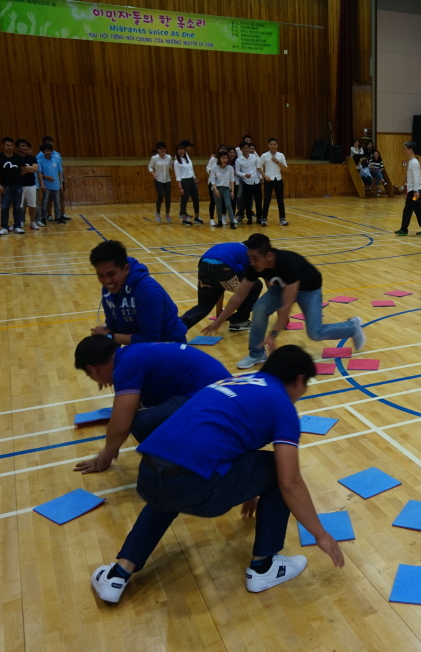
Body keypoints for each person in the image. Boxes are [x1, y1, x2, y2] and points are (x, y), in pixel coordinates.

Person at [89, 345, 345, 604]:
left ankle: (117, 574)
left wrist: (248, 490)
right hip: (194, 486)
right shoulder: (282, 404)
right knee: (278, 471)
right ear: (299, 380)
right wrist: (321, 535)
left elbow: (228, 438)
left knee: (169, 486)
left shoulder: (234, 381)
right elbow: (290, 483)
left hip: (149, 474)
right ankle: (263, 567)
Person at [203, 233, 366, 369]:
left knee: (315, 333)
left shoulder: (288, 264)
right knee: (259, 308)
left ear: (268, 256)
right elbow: (239, 296)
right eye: (250, 258)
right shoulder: (255, 265)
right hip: (282, 286)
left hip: (309, 290)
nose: (251, 263)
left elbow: (287, 305)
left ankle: (352, 327)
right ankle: (257, 354)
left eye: (255, 259)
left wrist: (273, 334)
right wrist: (219, 320)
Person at [72, 336, 231, 474]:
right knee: (148, 411)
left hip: (217, 401)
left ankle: (180, 467)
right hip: (224, 394)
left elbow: (121, 425)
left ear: (93, 369)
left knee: (142, 423)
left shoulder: (126, 365)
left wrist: (105, 456)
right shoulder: (131, 354)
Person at [89, 240, 188, 345]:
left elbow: (149, 340)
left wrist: (109, 336)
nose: (107, 281)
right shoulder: (109, 289)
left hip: (170, 345)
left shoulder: (148, 292)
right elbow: (113, 328)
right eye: (101, 275)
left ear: (126, 269)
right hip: (141, 345)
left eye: (111, 274)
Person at [181, 241, 264, 331]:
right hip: (222, 267)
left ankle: (178, 326)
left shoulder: (231, 246)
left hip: (203, 266)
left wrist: (219, 312)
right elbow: (248, 280)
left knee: (204, 305)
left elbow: (220, 285)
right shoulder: (248, 253)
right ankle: (239, 321)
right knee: (255, 286)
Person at [394, 141, 421, 236]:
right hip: (414, 191)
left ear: (410, 150)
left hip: (414, 193)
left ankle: (404, 229)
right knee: (418, 209)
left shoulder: (414, 162)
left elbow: (416, 177)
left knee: (408, 209)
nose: (404, 151)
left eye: (405, 149)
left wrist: (416, 191)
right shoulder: (411, 162)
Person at [0, 137, 26, 235]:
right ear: (2, 146)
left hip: (17, 185)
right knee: (5, 207)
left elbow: (23, 170)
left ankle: (17, 226)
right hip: (5, 185)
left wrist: (16, 177)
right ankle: (4, 227)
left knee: (17, 207)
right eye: (7, 145)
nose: (9, 147)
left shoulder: (18, 157)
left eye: (11, 145)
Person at [38, 136, 70, 221]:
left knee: (59, 198)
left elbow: (60, 169)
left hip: (56, 182)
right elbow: (38, 171)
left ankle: (60, 215)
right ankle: (47, 216)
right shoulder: (40, 156)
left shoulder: (57, 155)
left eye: (51, 141)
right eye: (47, 142)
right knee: (47, 200)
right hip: (46, 183)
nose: (49, 143)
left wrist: (63, 179)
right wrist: (44, 179)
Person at [259, 137, 289, 227]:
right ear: (268, 145)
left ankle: (282, 219)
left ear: (277, 145)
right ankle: (264, 219)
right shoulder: (264, 155)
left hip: (278, 179)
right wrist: (264, 176)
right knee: (267, 200)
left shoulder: (281, 155)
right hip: (268, 180)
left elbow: (285, 168)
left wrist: (277, 162)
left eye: (274, 145)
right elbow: (258, 167)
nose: (273, 146)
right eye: (271, 144)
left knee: (280, 200)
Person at [173, 142, 201, 226]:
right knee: (184, 200)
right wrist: (180, 187)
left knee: (196, 199)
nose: (181, 151)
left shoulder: (188, 159)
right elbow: (177, 175)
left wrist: (195, 180)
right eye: (179, 150)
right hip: (184, 181)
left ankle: (197, 217)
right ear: (177, 151)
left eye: (182, 149)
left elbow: (191, 170)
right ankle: (184, 219)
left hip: (191, 180)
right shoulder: (176, 162)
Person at [235, 141, 262, 225]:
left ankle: (259, 217)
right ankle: (249, 218)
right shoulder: (238, 160)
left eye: (247, 148)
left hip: (256, 181)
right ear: (241, 149)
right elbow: (237, 172)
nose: (246, 149)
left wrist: (261, 178)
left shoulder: (254, 157)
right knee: (247, 201)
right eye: (244, 148)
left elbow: (258, 168)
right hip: (247, 182)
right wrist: (244, 175)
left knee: (258, 201)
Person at [209, 151, 236, 229]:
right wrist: (215, 190)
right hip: (217, 188)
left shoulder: (230, 168)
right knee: (218, 205)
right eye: (223, 158)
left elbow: (232, 180)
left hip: (226, 189)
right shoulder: (214, 167)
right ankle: (220, 221)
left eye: (226, 158)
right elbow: (212, 179)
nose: (225, 160)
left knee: (228, 204)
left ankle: (232, 222)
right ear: (219, 159)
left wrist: (232, 191)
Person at [148, 142, 173, 223]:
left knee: (168, 197)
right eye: (160, 149)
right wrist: (153, 174)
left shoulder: (169, 157)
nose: (162, 150)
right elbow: (150, 167)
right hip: (158, 179)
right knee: (160, 196)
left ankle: (167, 214)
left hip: (167, 179)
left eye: (164, 148)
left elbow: (171, 166)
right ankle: (158, 213)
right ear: (157, 150)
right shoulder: (154, 158)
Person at [206, 145, 227, 225]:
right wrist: (211, 171)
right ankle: (211, 219)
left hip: (223, 183)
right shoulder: (213, 159)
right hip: (213, 183)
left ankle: (222, 218)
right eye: (221, 149)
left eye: (224, 149)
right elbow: (208, 167)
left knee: (223, 201)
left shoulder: (226, 160)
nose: (222, 151)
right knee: (213, 201)